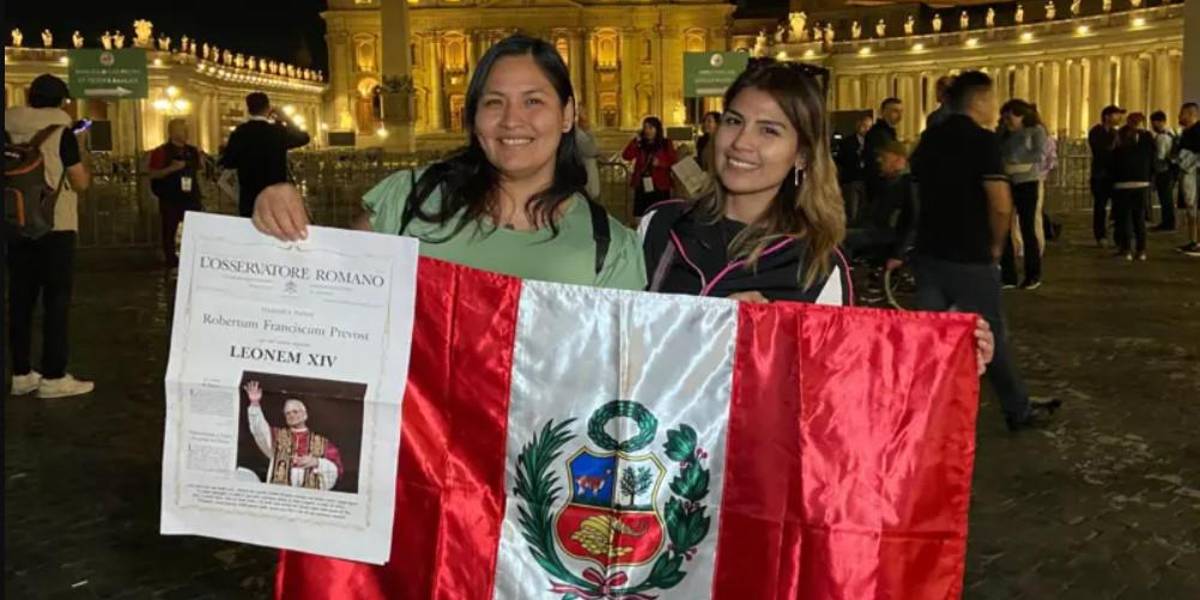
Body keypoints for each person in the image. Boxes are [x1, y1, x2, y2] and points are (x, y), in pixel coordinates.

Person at [640, 60, 993, 374]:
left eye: (769, 130)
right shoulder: (658, 226)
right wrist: (703, 328)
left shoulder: (819, 268)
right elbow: (608, 349)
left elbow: (836, 394)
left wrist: (945, 358)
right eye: (734, 121)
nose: (741, 142)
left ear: (802, 156)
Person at [251, 35, 646, 291]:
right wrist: (280, 222)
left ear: (567, 115)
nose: (512, 120)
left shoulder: (610, 250)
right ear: (473, 119)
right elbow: (326, 291)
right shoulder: (409, 201)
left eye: (533, 101)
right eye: (494, 102)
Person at [910, 70, 1058, 431]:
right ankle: (1017, 409)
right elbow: (1001, 203)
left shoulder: (928, 140)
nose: (995, 109)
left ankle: (921, 411)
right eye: (992, 100)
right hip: (970, 253)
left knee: (929, 335)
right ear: (979, 101)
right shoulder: (983, 141)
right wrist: (995, 245)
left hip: (930, 251)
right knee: (990, 333)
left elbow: (914, 196)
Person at [5, 74, 95, 398]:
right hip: (55, 226)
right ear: (61, 102)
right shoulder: (62, 133)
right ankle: (54, 376)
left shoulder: (7, 127)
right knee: (56, 302)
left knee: (19, 300)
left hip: (15, 224)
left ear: (30, 97)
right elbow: (81, 182)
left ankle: (21, 373)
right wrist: (82, 148)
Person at [218, 91, 310, 217]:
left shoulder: (240, 132)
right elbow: (303, 138)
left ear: (249, 109)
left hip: (250, 197)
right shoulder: (277, 132)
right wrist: (285, 119)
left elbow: (228, 161)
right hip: (275, 194)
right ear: (268, 108)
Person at [243, 381, 343, 490]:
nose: (291, 415)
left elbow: (336, 470)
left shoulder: (322, 442)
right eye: (288, 413)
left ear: (305, 415)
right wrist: (255, 404)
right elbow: (259, 431)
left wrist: (316, 462)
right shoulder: (277, 436)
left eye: (295, 412)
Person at [999, 99, 1046, 289]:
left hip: (1027, 181)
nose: (1007, 121)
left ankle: (1033, 274)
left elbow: (1038, 155)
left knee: (1027, 228)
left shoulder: (1036, 130)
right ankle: (1008, 275)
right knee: (1003, 229)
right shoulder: (1002, 133)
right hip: (1007, 181)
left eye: (1010, 117)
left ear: (1022, 115)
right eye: (1004, 118)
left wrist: (1015, 156)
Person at [147, 118, 206, 267]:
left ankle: (192, 257)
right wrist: (171, 169)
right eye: (183, 129)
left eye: (187, 129)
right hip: (170, 197)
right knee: (169, 230)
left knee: (194, 229)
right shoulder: (160, 151)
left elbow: (199, 171)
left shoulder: (192, 151)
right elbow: (153, 174)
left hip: (191, 196)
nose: (187, 132)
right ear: (172, 132)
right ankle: (171, 259)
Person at [1110, 113, 1156, 261]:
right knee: (1140, 219)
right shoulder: (1148, 137)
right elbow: (1153, 159)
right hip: (1142, 182)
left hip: (1123, 182)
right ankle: (1141, 250)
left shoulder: (1121, 136)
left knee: (1125, 219)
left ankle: (1127, 249)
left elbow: (1114, 157)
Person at [622, 116, 677, 218]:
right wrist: (635, 142)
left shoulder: (665, 143)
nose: (647, 131)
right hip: (642, 183)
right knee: (642, 213)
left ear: (657, 129)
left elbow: (673, 161)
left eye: (651, 128)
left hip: (660, 184)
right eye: (645, 128)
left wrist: (660, 163)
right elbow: (626, 156)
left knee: (659, 213)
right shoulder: (640, 144)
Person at [1088, 105, 1126, 246]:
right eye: (1116, 115)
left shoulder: (1117, 133)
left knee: (1118, 207)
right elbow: (1100, 151)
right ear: (1107, 116)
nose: (1119, 118)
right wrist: (1114, 143)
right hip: (1100, 175)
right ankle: (1100, 235)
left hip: (1114, 175)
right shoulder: (1096, 131)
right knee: (1100, 207)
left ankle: (1118, 235)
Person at [863, 97, 902, 211]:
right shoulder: (877, 134)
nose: (899, 115)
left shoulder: (888, 133)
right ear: (883, 112)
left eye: (901, 111)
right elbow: (879, 162)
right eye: (895, 111)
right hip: (881, 188)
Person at [836, 113, 873, 226]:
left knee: (864, 210)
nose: (866, 129)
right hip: (851, 179)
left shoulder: (872, 142)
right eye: (864, 126)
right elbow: (841, 159)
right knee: (852, 209)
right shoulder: (847, 141)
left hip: (866, 180)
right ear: (858, 125)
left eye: (869, 127)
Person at [1176, 102, 1200, 256]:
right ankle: (1193, 240)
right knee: (1191, 209)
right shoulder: (1187, 132)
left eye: (1182, 113)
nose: (1179, 116)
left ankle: (1197, 242)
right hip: (1188, 173)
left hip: (1195, 174)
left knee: (1196, 209)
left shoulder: (1196, 132)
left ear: (1192, 114)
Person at [1149, 111, 1177, 231]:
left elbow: (1160, 156)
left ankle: (1168, 223)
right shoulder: (1172, 132)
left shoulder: (1162, 137)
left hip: (1163, 171)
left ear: (1159, 122)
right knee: (1168, 198)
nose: (1152, 126)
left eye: (1153, 123)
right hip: (1171, 170)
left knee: (1165, 199)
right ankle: (1169, 222)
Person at [574, 108, 601, 201]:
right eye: (585, 116)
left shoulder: (581, 133)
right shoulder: (577, 134)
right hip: (584, 173)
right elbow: (592, 150)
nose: (588, 120)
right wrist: (590, 132)